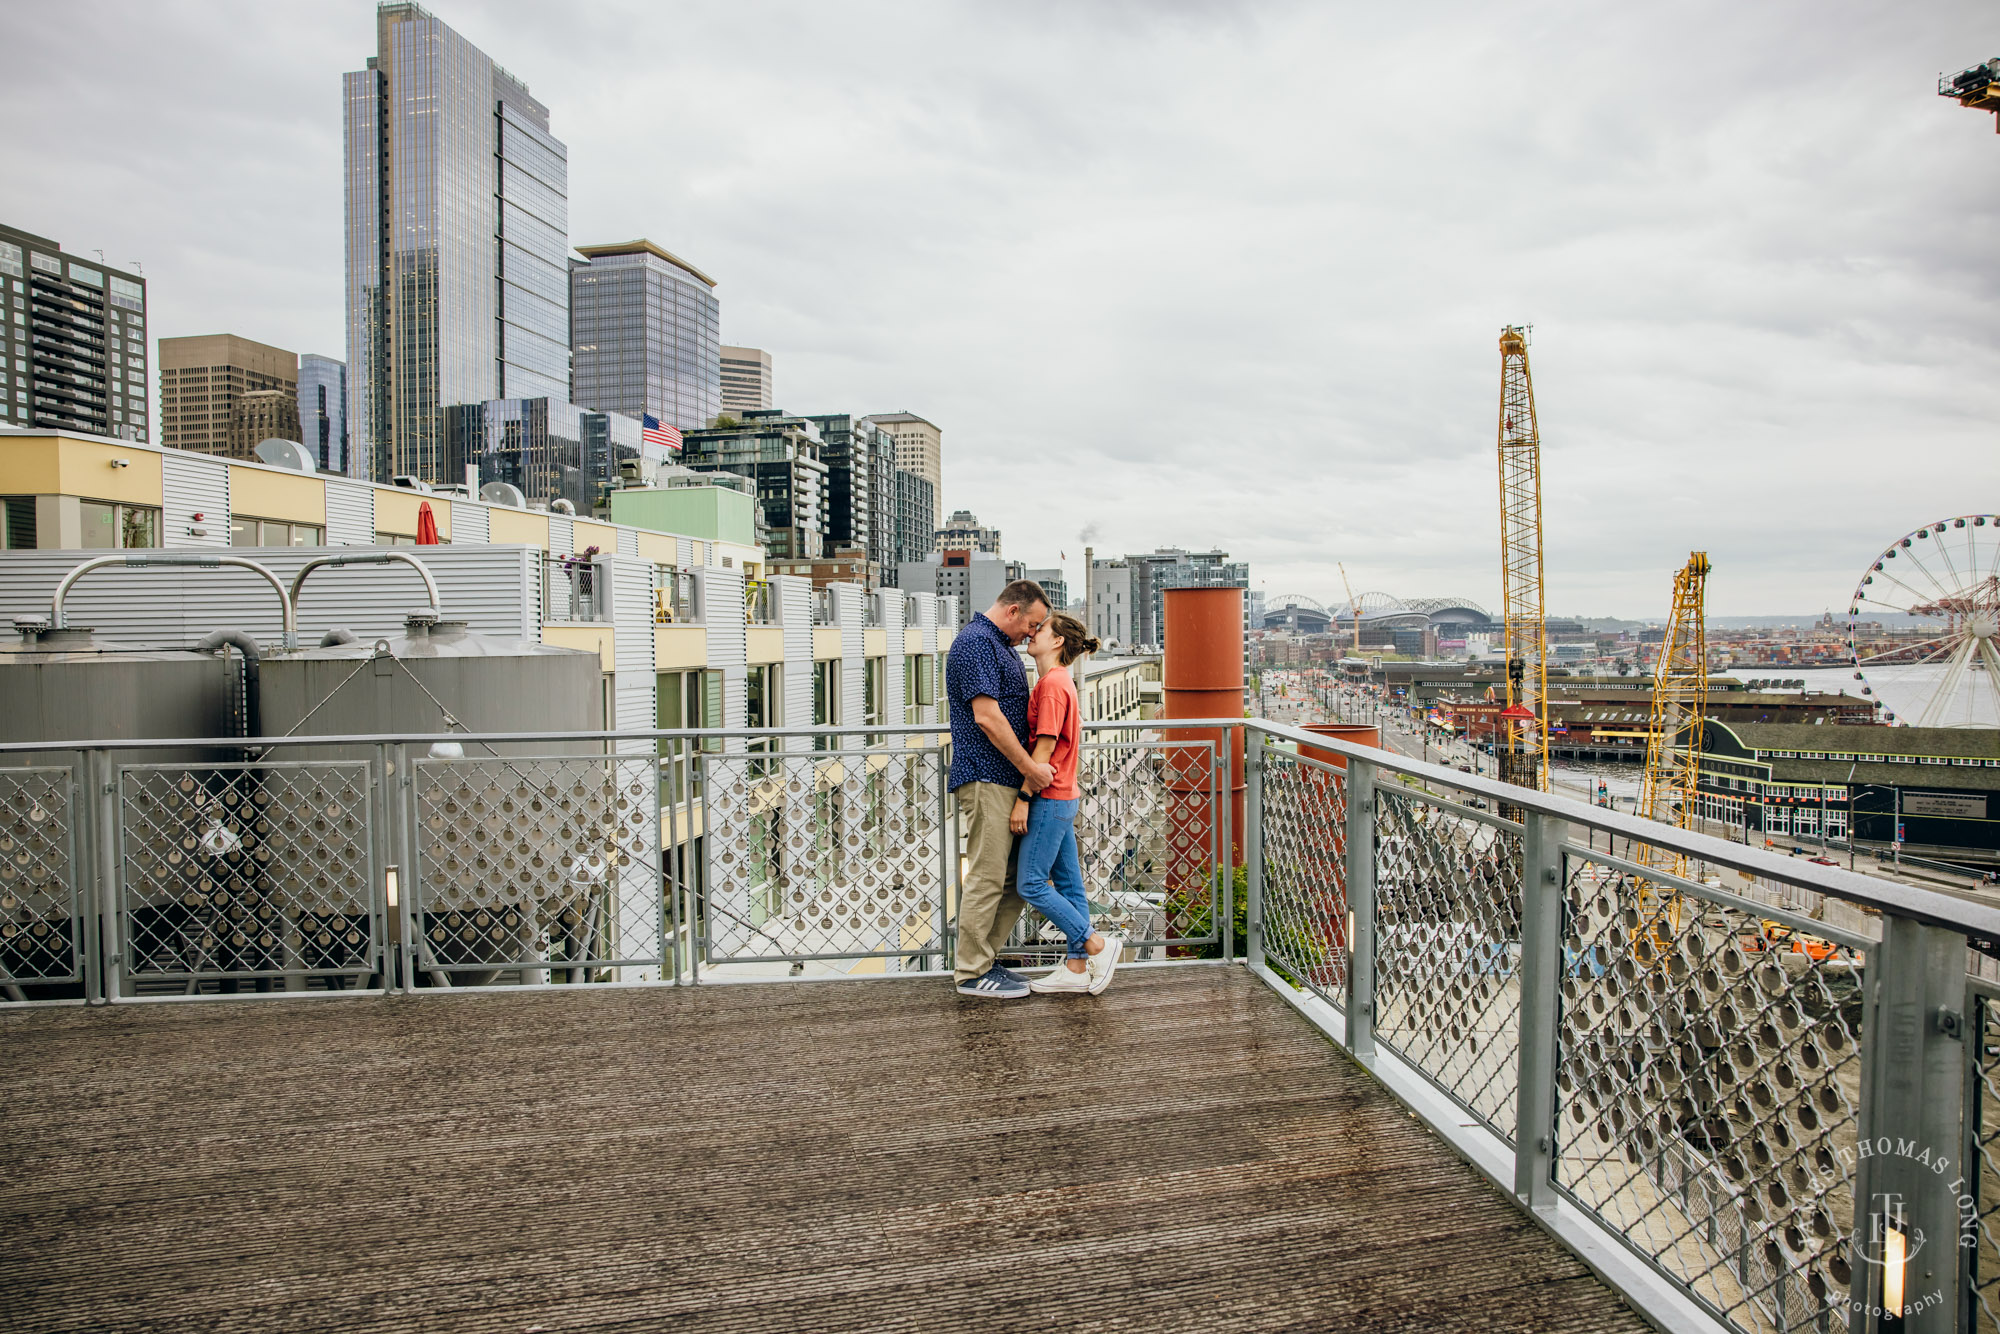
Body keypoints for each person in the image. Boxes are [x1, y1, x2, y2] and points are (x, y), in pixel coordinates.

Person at [946, 579, 1053, 999]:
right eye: (1032, 623)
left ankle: (985, 963)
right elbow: (987, 717)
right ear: (1013, 611)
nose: (1033, 632)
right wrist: (1031, 769)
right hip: (987, 775)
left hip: (1005, 779)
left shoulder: (998, 646)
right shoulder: (975, 643)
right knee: (988, 876)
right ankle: (971, 973)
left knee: (1014, 878)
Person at [1012, 612, 1122, 995]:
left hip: (1049, 797)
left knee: (1030, 884)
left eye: (1040, 629)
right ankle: (1076, 967)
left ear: (1057, 641)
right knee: (1071, 887)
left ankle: (1097, 945)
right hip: (1063, 796)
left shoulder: (1053, 685)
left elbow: (1044, 746)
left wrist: (1023, 798)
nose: (1032, 632)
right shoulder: (1057, 682)